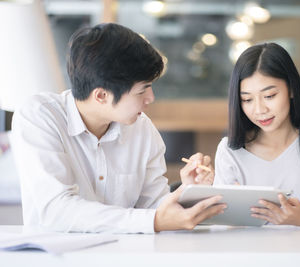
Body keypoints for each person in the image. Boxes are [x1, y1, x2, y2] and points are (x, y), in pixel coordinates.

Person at [11, 23, 225, 234]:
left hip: (124, 255)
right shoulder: (39, 116)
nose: (151, 99)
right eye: (142, 91)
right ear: (102, 95)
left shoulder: (142, 129)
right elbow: (57, 211)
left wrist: (186, 192)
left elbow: (152, 209)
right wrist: (155, 220)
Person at [213, 43, 300, 228]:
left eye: (270, 95)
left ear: (291, 89)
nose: (259, 110)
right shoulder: (230, 150)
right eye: (247, 99)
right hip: (251, 253)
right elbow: (222, 222)